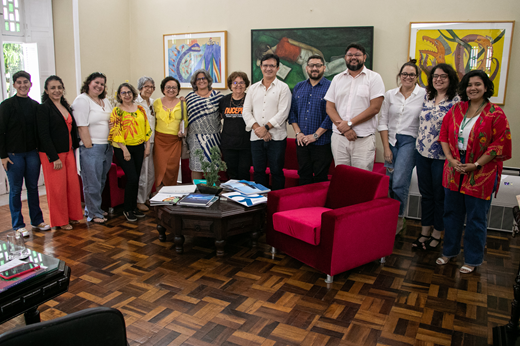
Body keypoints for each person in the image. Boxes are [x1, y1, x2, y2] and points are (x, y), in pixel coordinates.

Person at [436, 70, 511, 273]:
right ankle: (449, 252)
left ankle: (472, 259)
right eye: (469, 85)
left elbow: (498, 146)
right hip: (454, 169)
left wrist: (476, 165)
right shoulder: (456, 109)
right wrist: (451, 160)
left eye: (478, 84)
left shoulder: (496, 113)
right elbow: (443, 136)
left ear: (486, 87)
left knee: (477, 218)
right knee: (451, 213)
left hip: (481, 171)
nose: (473, 88)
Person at [414, 64, 460, 250]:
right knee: (426, 195)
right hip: (422, 152)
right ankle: (425, 231)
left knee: (440, 196)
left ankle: (437, 233)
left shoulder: (457, 100)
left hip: (443, 156)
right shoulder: (427, 96)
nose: (438, 79)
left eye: (443, 76)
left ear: (450, 79)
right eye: (435, 76)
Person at [378, 60, 426, 234]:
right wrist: (386, 148)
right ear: (400, 76)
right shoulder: (390, 95)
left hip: (410, 141)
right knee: (389, 182)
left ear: (416, 77)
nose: (408, 77)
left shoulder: (424, 94)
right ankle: (389, 217)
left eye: (412, 75)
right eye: (404, 74)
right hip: (391, 141)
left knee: (399, 182)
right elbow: (382, 122)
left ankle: (399, 219)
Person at [0, 71, 50, 236]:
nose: (23, 85)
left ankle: (37, 221)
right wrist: (3, 156)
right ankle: (18, 225)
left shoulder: (35, 105)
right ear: (14, 85)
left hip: (32, 154)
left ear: (30, 84)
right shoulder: (6, 106)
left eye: (25, 82)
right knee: (15, 189)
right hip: (13, 155)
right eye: (19, 82)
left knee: (33, 188)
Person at [325, 43, 385, 171]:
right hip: (339, 139)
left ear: (364, 57)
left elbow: (375, 108)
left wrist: (350, 123)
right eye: (349, 55)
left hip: (363, 140)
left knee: (361, 180)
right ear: (345, 58)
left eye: (357, 54)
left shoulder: (374, 78)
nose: (353, 57)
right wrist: (345, 129)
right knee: (342, 177)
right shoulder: (337, 79)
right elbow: (329, 107)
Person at [37, 75, 83, 230]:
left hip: (68, 152)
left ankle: (72, 216)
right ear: (46, 91)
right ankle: (60, 221)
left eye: (59, 87)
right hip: (53, 155)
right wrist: (54, 157)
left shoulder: (66, 106)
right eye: (52, 88)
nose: (56, 91)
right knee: (57, 189)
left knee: (72, 186)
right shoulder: (44, 108)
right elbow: (43, 135)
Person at [243, 54, 291, 190]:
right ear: (261, 67)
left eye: (272, 66)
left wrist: (266, 128)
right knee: (258, 171)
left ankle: (275, 203)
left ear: (277, 68)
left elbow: (283, 113)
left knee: (276, 171)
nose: (268, 68)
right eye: (265, 65)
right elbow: (246, 111)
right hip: (256, 136)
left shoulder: (283, 88)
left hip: (277, 138)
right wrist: (260, 129)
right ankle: (260, 204)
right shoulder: (252, 88)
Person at [72, 72, 112, 224]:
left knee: (101, 180)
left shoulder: (104, 101)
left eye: (102, 84)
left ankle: (94, 208)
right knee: (92, 182)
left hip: (106, 146)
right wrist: (89, 146)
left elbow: (109, 119)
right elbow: (81, 125)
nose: (99, 86)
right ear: (88, 83)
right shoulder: (82, 100)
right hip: (91, 147)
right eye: (96, 82)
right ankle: (93, 214)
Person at [108, 83, 151, 222]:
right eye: (123, 93)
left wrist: (147, 145)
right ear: (119, 96)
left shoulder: (140, 109)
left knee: (137, 178)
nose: (127, 95)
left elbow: (146, 127)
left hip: (139, 146)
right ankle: (127, 209)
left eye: (129, 92)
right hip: (123, 148)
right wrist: (125, 149)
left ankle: (134, 207)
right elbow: (115, 131)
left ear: (133, 93)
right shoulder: (117, 111)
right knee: (131, 178)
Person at [289, 54, 333, 185]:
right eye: (312, 65)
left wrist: (315, 135)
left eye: (318, 65)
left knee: (320, 177)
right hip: (302, 142)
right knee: (304, 175)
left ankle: (318, 204)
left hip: (322, 143)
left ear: (324, 68)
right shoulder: (299, 87)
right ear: (307, 68)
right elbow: (292, 113)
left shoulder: (331, 87)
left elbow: (331, 115)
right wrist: (298, 133)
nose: (315, 68)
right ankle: (304, 204)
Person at [185, 69, 223, 181]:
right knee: (196, 167)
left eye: (204, 78)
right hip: (195, 138)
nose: (202, 81)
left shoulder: (218, 96)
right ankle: (197, 194)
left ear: (208, 80)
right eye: (198, 79)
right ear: (194, 82)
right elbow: (184, 116)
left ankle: (213, 192)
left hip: (213, 138)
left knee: (213, 168)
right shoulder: (189, 97)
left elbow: (222, 114)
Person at [254, 37, 346, 79]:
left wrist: (316, 51)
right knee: (310, 79)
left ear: (268, 47)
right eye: (264, 55)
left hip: (309, 55)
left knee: (326, 70)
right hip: (303, 63)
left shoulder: (284, 41)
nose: (266, 55)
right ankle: (337, 60)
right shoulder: (275, 56)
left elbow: (302, 45)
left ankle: (344, 61)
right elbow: (258, 63)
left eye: (265, 52)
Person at [153, 77, 187, 187]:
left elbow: (185, 121)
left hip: (175, 141)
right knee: (158, 167)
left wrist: (183, 132)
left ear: (178, 90)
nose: (171, 90)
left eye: (174, 87)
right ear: (163, 89)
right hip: (159, 141)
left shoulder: (182, 103)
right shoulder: (156, 103)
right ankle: (156, 193)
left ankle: (170, 193)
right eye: (168, 87)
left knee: (172, 168)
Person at [218, 71, 252, 180]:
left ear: (246, 84)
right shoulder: (223, 100)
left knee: (244, 172)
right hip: (228, 144)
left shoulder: (250, 100)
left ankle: (244, 196)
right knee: (231, 173)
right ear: (231, 85)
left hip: (246, 143)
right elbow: (219, 116)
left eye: (241, 82)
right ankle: (232, 196)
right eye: (235, 82)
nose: (238, 85)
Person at [135, 76, 156, 212]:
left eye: (151, 87)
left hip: (154, 141)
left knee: (151, 173)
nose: (149, 89)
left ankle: (147, 197)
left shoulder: (154, 103)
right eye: (146, 86)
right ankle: (139, 200)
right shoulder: (135, 103)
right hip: (141, 142)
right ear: (140, 88)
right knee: (143, 172)